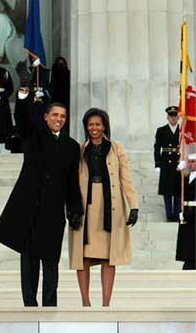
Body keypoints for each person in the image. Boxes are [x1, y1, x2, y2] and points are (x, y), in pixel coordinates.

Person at [0, 102, 83, 306]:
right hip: (30, 209)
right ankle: (29, 305)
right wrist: (23, 95)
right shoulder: (34, 137)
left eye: (63, 116)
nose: (59, 119)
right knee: (29, 262)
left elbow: (73, 181)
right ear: (46, 117)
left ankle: (50, 305)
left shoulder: (72, 146)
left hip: (53, 211)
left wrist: (75, 209)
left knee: (51, 262)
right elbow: (22, 120)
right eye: (55, 115)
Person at [69, 108, 139, 307]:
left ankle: (106, 304)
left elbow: (125, 177)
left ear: (105, 126)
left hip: (111, 206)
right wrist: (72, 209)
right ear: (86, 127)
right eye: (90, 124)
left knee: (109, 256)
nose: (94, 128)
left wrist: (133, 206)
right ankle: (85, 302)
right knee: (83, 255)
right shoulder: (80, 149)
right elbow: (72, 181)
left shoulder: (116, 148)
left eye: (98, 124)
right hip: (87, 206)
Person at [154, 106, 181, 221]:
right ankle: (169, 214)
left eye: (175, 115)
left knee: (178, 189)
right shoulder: (161, 130)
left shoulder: (183, 130)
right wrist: (157, 164)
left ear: (178, 116)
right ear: (167, 117)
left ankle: (177, 213)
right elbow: (157, 148)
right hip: (166, 163)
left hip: (179, 162)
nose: (173, 118)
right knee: (167, 190)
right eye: (171, 116)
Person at [176, 153, 196, 270]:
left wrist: (187, 214)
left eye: (193, 161)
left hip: (193, 215)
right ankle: (188, 262)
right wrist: (178, 170)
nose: (190, 164)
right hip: (187, 214)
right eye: (189, 161)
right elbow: (175, 188)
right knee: (187, 244)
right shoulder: (186, 177)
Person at [50, 56, 70, 128]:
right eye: (59, 65)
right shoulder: (52, 77)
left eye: (62, 65)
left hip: (67, 105)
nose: (61, 67)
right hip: (55, 103)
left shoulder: (69, 76)